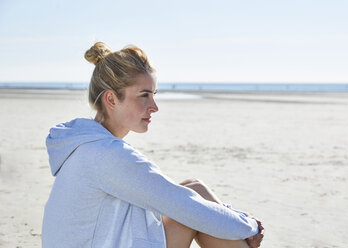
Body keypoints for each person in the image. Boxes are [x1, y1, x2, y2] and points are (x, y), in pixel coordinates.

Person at [42, 42, 264, 248]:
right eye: (144, 96)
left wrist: (238, 221)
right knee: (193, 210)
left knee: (193, 189)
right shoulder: (106, 155)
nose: (154, 106)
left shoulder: (84, 145)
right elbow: (187, 208)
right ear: (111, 100)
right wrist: (249, 226)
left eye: (153, 95)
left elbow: (176, 200)